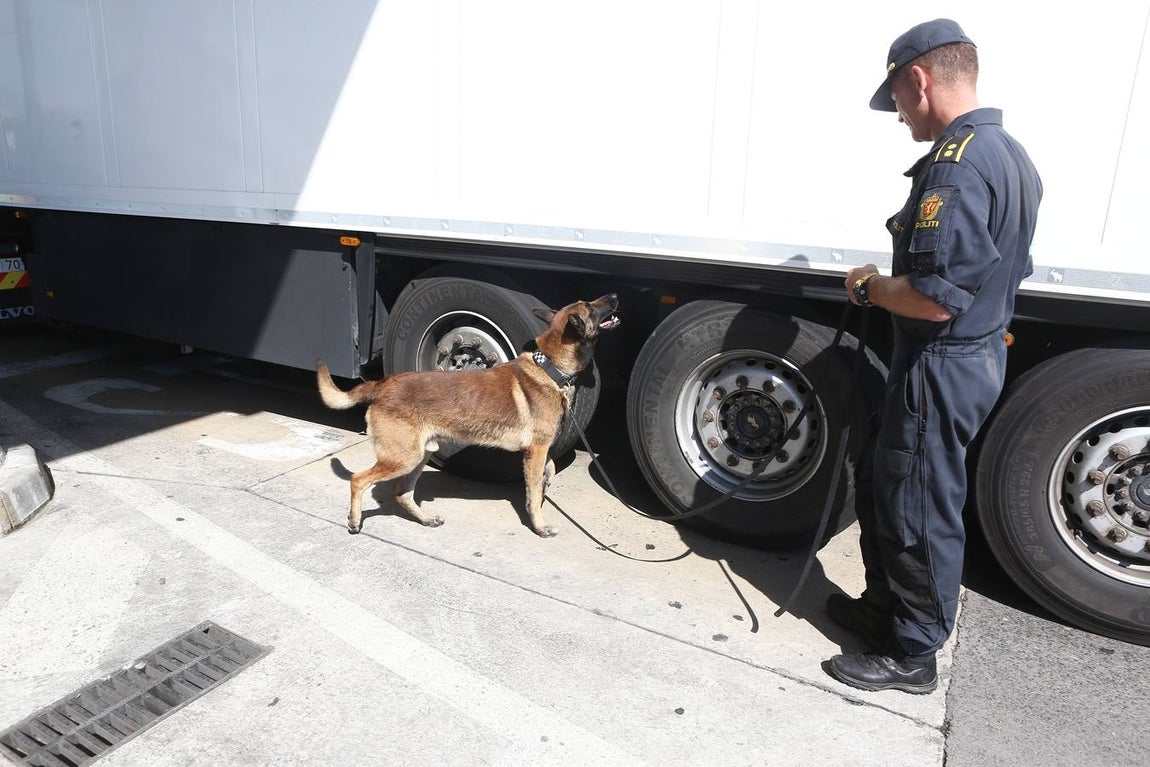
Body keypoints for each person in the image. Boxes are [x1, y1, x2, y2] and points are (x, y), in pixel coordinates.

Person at [826, 19, 1042, 694]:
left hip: (942, 361)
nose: (899, 116)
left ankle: (913, 652)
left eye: (897, 97)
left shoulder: (958, 162)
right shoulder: (1008, 154)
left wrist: (870, 286)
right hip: (968, 359)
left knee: (918, 501)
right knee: (896, 487)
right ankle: (886, 611)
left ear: (918, 79)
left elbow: (935, 296)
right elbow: (1011, 264)